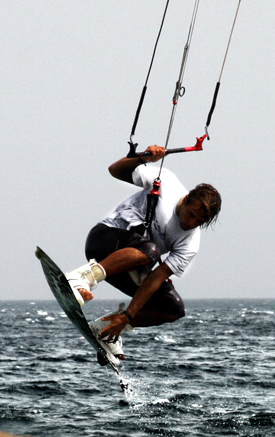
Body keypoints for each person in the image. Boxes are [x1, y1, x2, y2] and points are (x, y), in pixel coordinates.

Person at [65, 145, 221, 360]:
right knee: (152, 250)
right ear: (186, 200)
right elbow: (115, 170)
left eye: (199, 222)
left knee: (173, 308)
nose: (191, 223)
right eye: (191, 214)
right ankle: (83, 278)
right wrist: (142, 158)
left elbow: (156, 277)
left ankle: (107, 328)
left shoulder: (190, 243)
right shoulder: (167, 182)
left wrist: (128, 316)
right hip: (104, 241)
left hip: (134, 265)